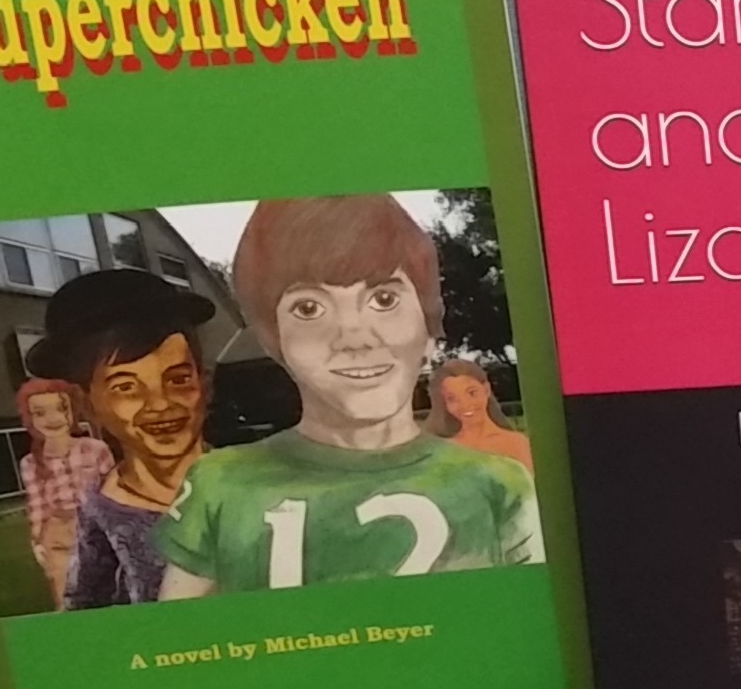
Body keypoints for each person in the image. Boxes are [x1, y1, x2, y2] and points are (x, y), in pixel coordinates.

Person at [153, 194, 542, 598]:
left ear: (429, 331)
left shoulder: (499, 483)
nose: (354, 338)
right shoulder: (220, 482)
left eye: (384, 299)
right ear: (275, 340)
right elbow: (180, 629)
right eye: (308, 308)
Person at [29, 268, 216, 609]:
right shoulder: (102, 511)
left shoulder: (252, 481)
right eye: (125, 387)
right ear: (88, 404)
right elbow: (85, 610)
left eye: (178, 380)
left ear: (204, 384)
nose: (160, 404)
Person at [11, 377, 112, 608]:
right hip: (59, 535)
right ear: (30, 419)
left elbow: (112, 495)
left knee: (107, 591)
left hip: (97, 528)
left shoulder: (95, 449)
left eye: (60, 408)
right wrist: (38, 541)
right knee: (67, 596)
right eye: (40, 413)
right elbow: (37, 505)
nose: (53, 418)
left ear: (73, 411)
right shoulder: (30, 463)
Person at [425, 355, 534, 474]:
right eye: (452, 399)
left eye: (472, 393)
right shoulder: (441, 450)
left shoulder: (517, 443)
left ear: (486, 390)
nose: (465, 404)